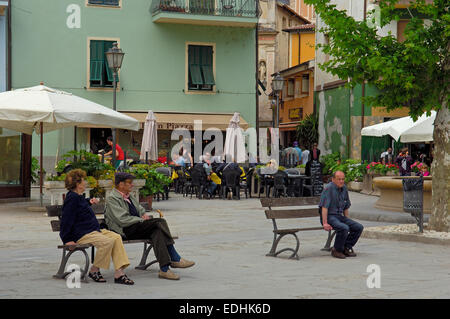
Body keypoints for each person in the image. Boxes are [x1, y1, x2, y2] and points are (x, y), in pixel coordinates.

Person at [105, 172, 195, 280]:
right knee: (159, 222)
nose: (132, 185)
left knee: (157, 232)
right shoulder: (112, 198)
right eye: (129, 183)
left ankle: (164, 269)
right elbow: (122, 219)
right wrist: (140, 219)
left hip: (136, 226)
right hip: (125, 230)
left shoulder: (129, 196)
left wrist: (143, 214)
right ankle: (175, 257)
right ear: (121, 184)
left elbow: (139, 208)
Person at [60, 169, 134, 285]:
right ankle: (94, 270)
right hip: (82, 234)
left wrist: (89, 201)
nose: (85, 183)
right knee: (107, 242)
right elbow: (66, 220)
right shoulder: (72, 199)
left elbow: (81, 205)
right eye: (83, 181)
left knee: (116, 237)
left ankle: (119, 273)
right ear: (78, 184)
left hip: (94, 231)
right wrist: (67, 240)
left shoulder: (77, 197)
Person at [319, 171, 364, 259]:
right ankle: (337, 250)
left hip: (339, 216)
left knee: (358, 227)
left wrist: (347, 220)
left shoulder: (344, 188)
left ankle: (346, 247)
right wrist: (325, 223)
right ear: (333, 179)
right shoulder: (328, 188)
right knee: (344, 228)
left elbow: (346, 206)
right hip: (329, 216)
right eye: (339, 179)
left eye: (343, 179)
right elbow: (324, 207)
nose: (341, 181)